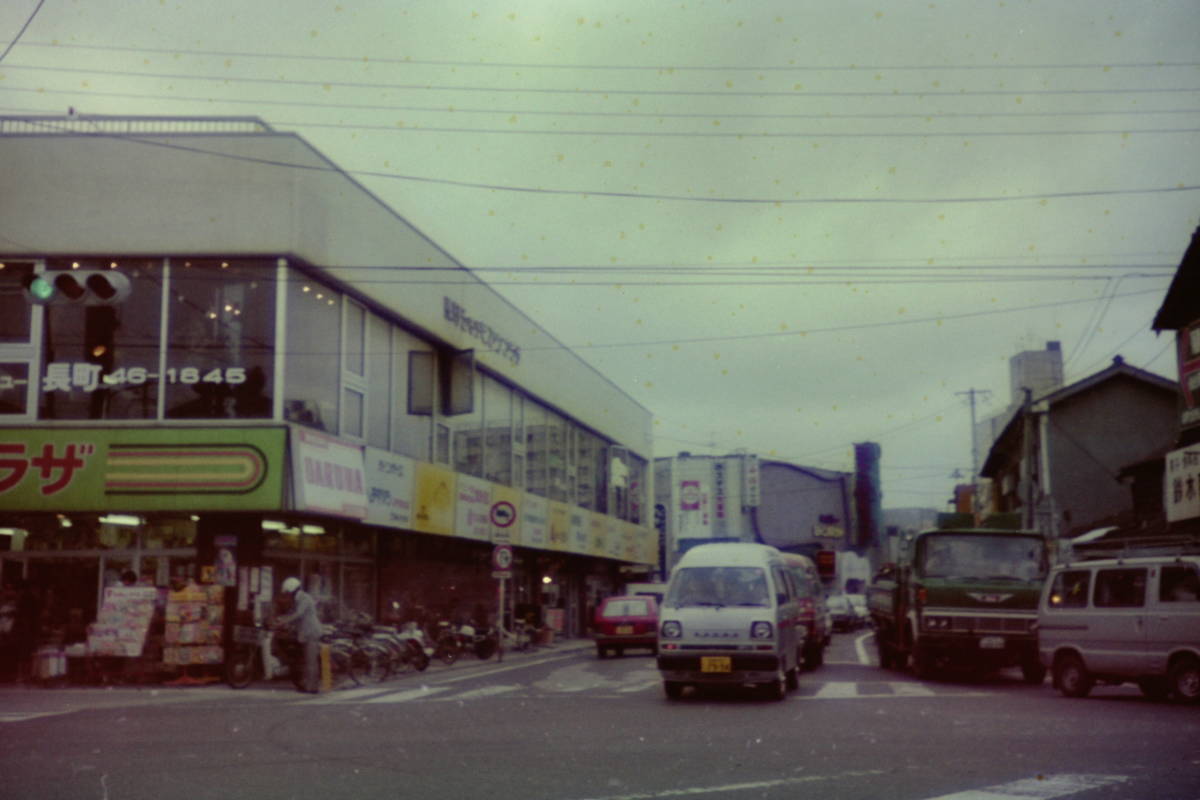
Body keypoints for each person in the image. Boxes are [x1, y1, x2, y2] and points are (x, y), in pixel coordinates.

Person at [275, 577, 322, 693]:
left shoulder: (304, 598)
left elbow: (298, 614)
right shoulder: (297, 599)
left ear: (292, 590)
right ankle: (306, 684)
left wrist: (284, 621)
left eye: (288, 592)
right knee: (305, 661)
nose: (287, 595)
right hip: (304, 633)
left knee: (311, 661)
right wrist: (280, 619)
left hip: (311, 632)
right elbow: (292, 613)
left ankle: (313, 688)